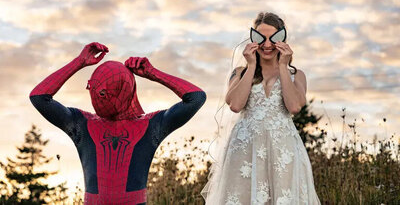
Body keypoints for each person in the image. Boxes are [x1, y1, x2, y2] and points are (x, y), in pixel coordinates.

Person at [29, 42, 206, 204]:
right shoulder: (150, 125)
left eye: (107, 92)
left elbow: (197, 98)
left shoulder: (82, 124)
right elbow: (38, 97)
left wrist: (154, 73)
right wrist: (79, 61)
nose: (101, 96)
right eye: (98, 90)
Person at [201, 12, 321, 204]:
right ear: (252, 39)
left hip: (283, 148)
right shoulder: (240, 72)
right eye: (260, 38)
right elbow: (235, 105)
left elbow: (294, 106)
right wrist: (250, 66)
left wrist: (283, 65)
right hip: (245, 148)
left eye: (273, 38)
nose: (266, 45)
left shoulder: (296, 75)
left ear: (282, 39)